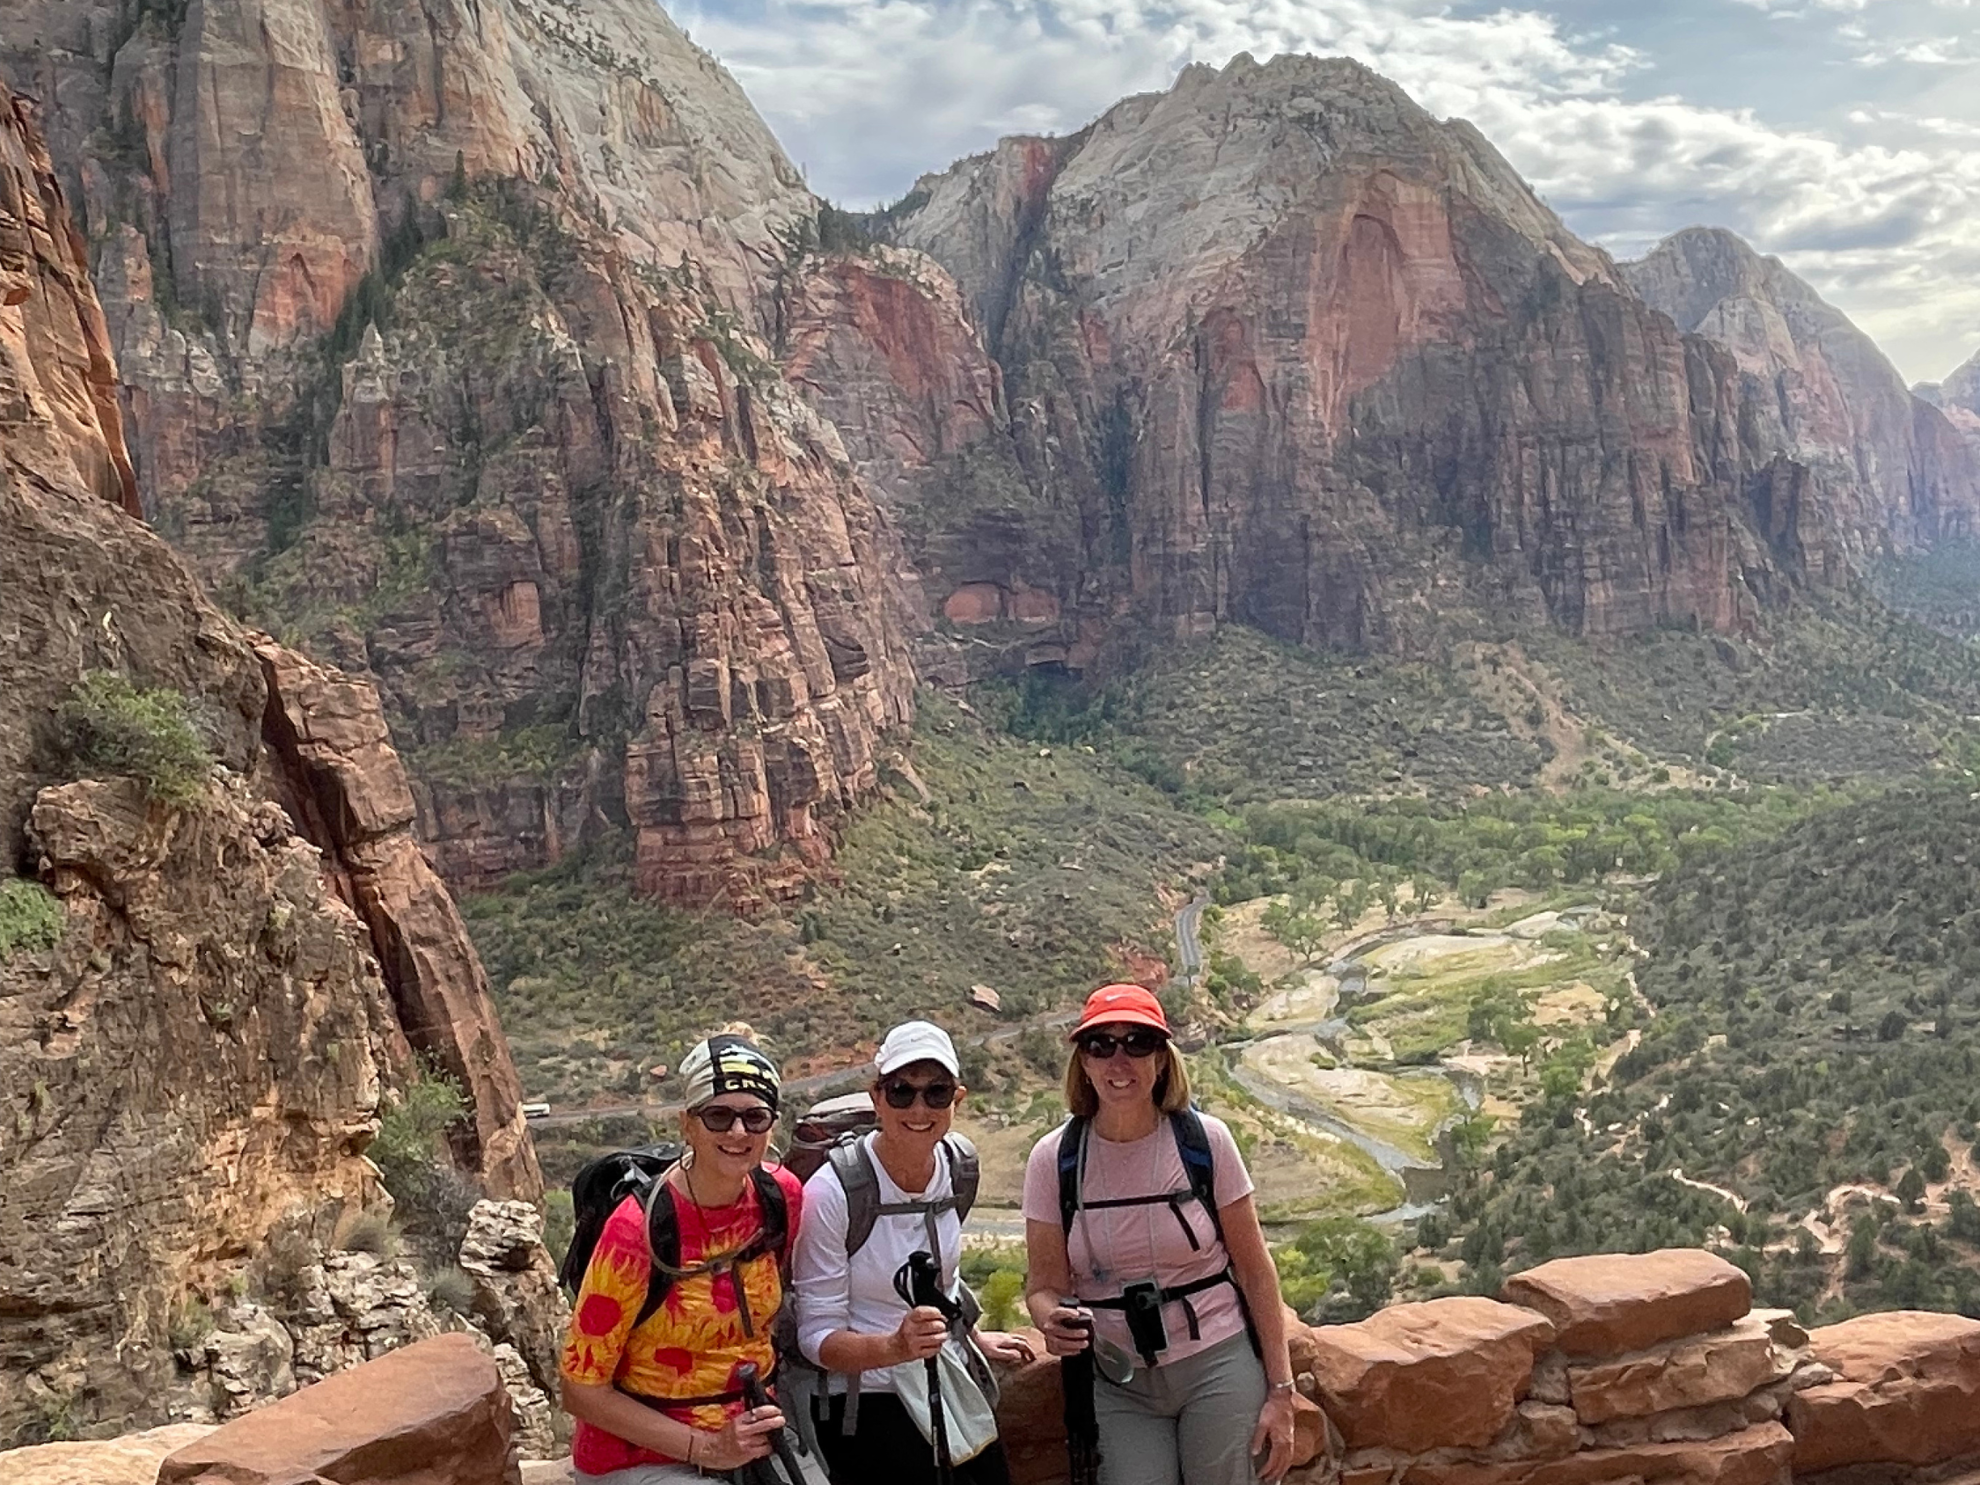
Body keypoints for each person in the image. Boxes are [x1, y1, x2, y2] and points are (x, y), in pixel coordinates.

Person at [1022, 985, 1300, 1485]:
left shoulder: (1204, 1142)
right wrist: (1050, 1319)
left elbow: (1256, 1271)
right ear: (1083, 1063)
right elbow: (1043, 1286)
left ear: (1163, 1059)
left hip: (1216, 1361)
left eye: (1138, 1043)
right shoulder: (1054, 1159)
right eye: (1100, 1046)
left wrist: (1281, 1392)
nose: (1118, 1060)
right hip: (1116, 1377)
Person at [793, 1020, 1035, 1485]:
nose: (920, 1108)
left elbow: (942, 1283)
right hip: (862, 1399)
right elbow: (815, 1336)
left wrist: (971, 1337)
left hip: (940, 1379)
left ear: (957, 1099)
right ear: (877, 1098)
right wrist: (894, 1347)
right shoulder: (834, 1193)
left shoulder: (958, 1170)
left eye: (937, 1093)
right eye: (902, 1092)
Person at [560, 1031, 804, 1483]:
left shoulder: (780, 1195)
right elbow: (580, 1389)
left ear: (771, 1125)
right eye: (718, 1116)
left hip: (754, 1430)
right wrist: (708, 1448)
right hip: (642, 1454)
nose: (737, 1132)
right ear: (686, 1124)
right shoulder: (637, 1231)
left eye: (755, 1117)